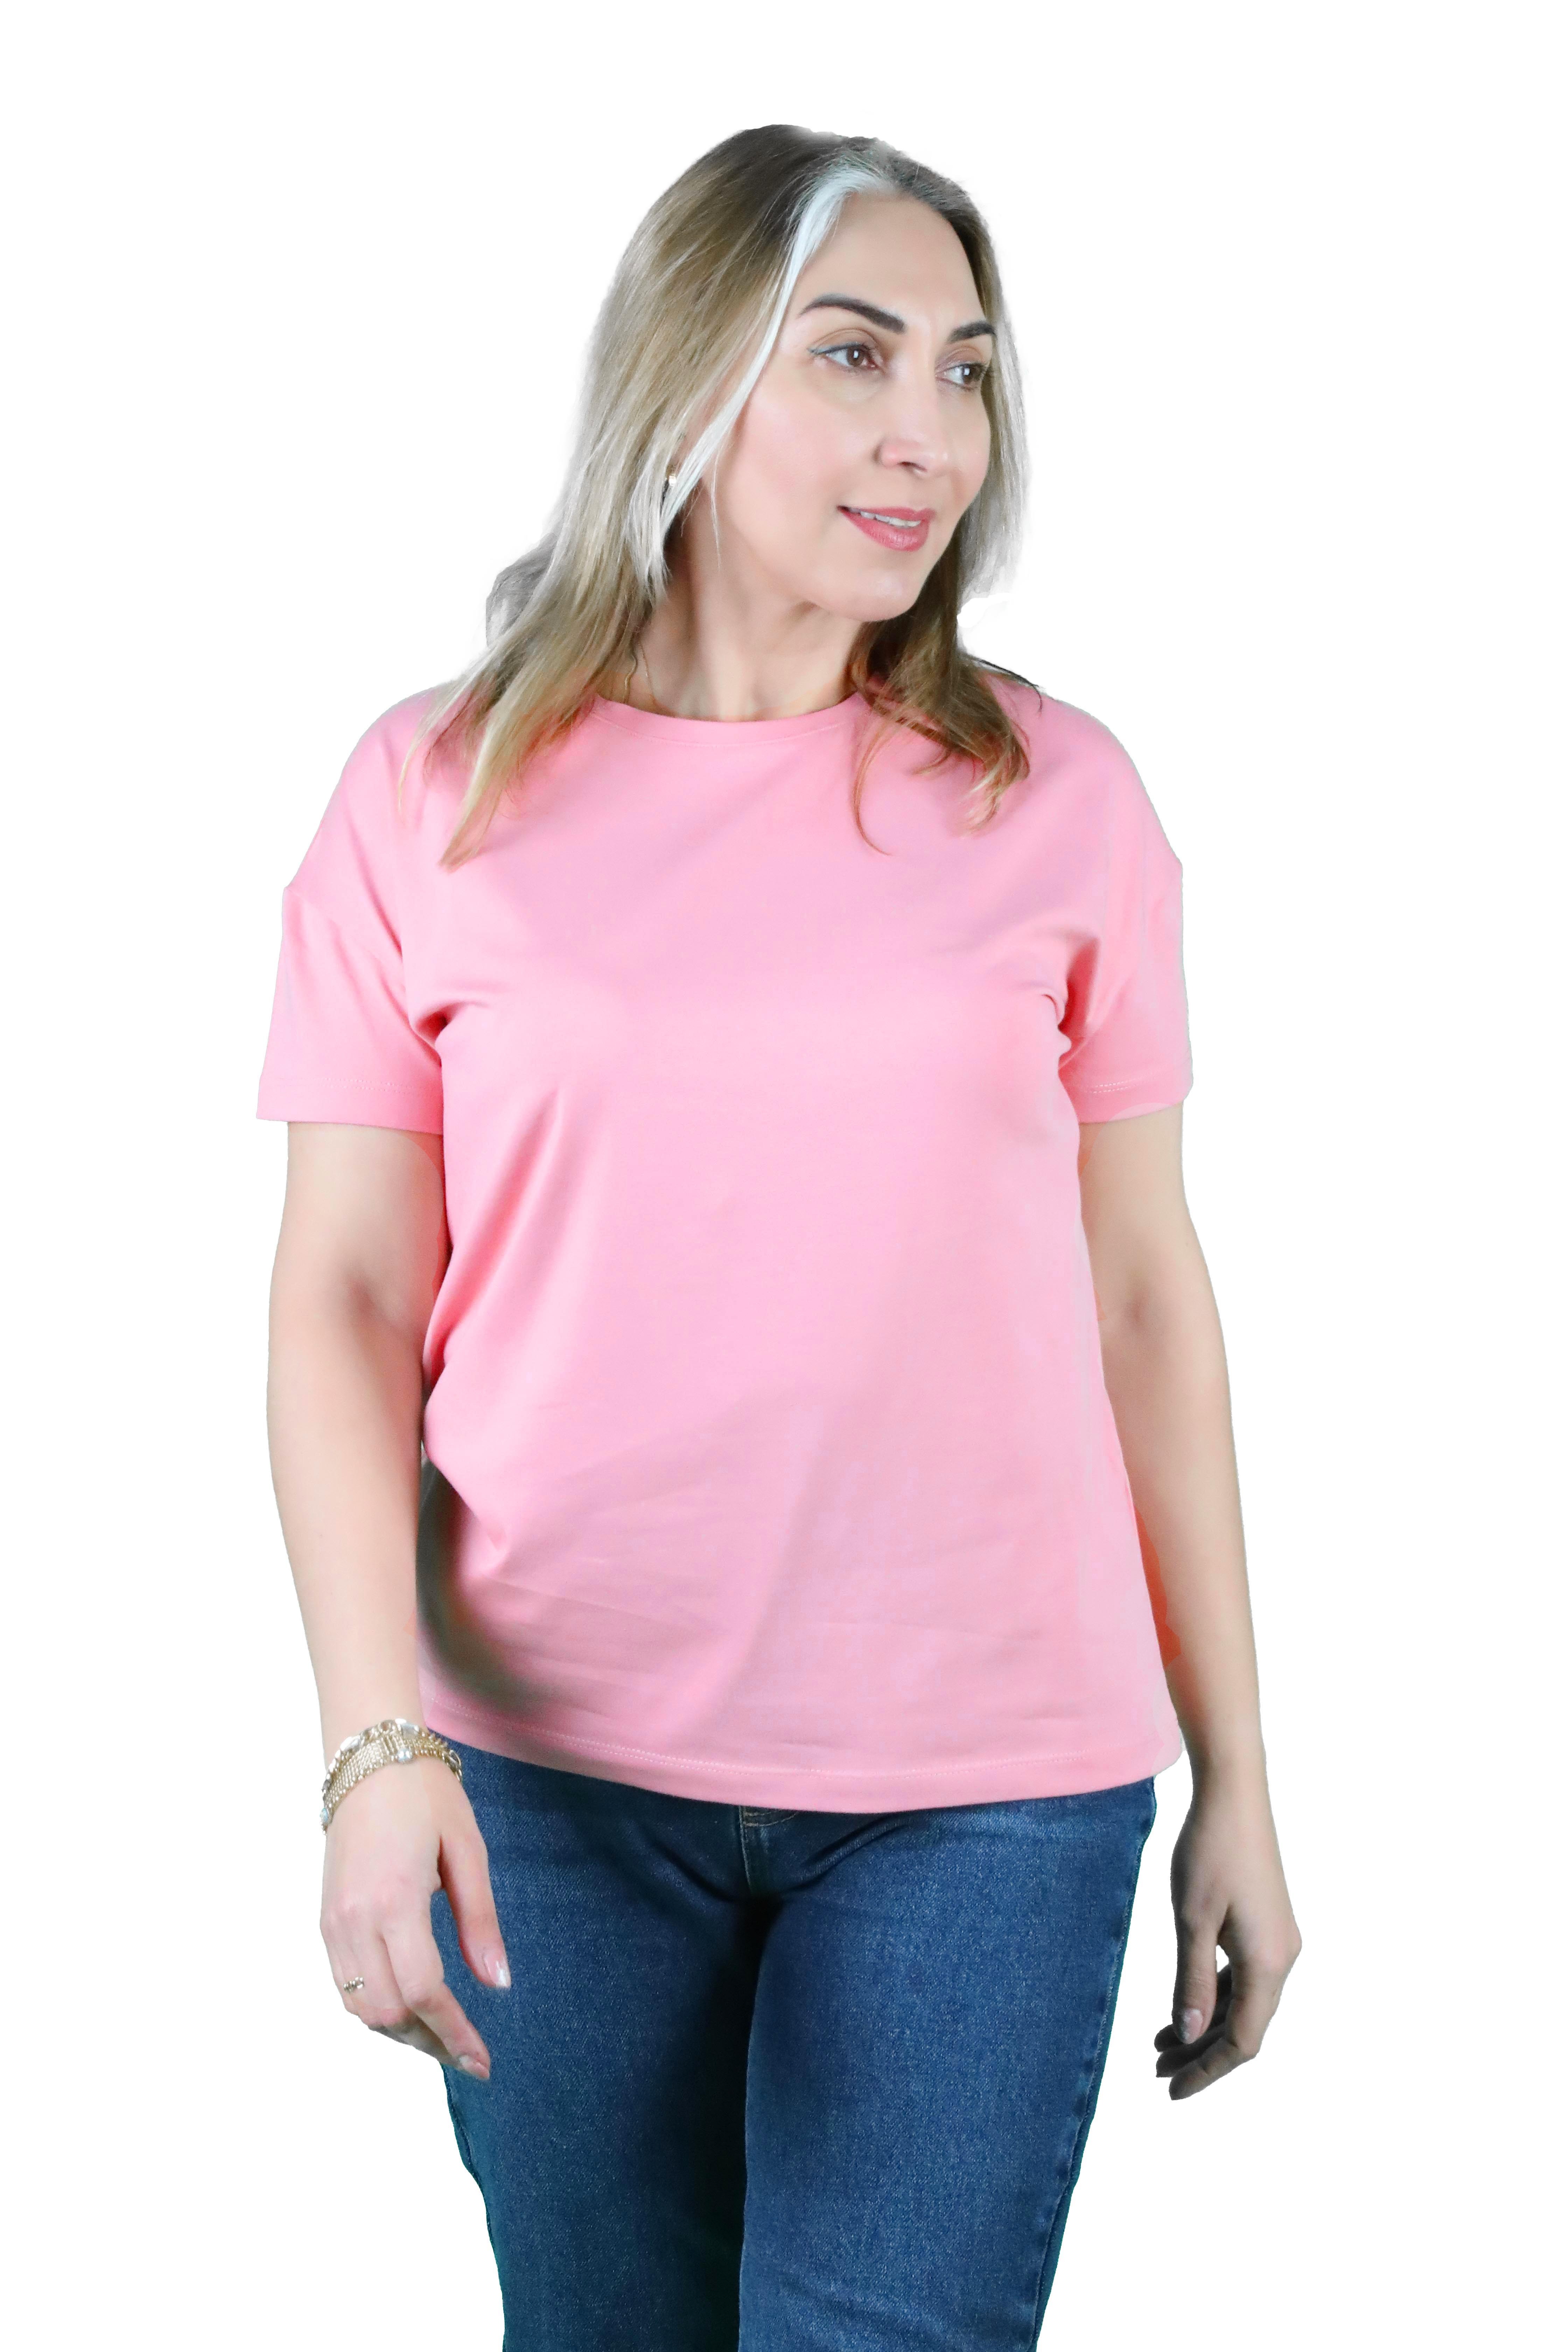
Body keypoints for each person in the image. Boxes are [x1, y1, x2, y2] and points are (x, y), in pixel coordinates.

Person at [258, 123, 1300, 2349]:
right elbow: (343, 1297)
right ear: (691, 371)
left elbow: (1145, 1298)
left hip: (988, 1800)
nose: (930, 432)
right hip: (547, 1782)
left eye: (967, 370)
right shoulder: (431, 792)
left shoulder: (1062, 799)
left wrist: (1241, 1773)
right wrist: (371, 1748)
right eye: (855, 354)